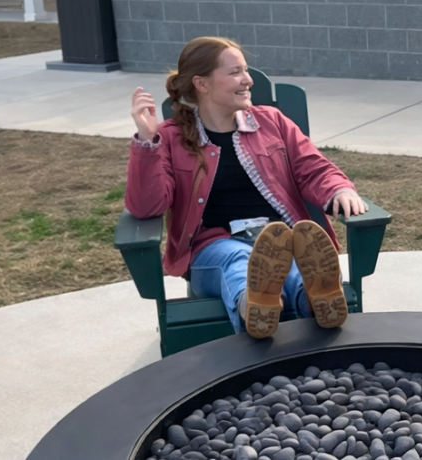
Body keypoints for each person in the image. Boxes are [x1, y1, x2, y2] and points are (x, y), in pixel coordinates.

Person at [125, 37, 368, 339]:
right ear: (202, 84)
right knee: (238, 262)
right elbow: (147, 206)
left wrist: (338, 190)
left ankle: (315, 299)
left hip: (280, 238)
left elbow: (313, 167)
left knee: (293, 268)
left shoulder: (271, 122)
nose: (248, 80)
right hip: (212, 247)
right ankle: (254, 308)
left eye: (246, 70)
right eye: (235, 72)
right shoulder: (171, 138)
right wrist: (147, 142)